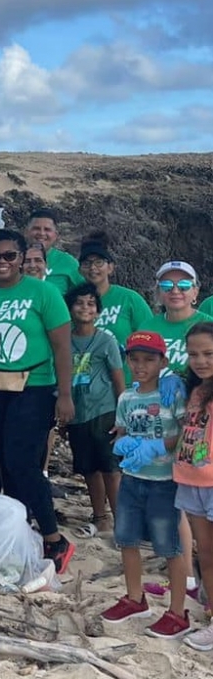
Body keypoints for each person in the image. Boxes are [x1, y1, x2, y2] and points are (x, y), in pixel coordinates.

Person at [0, 229, 76, 574]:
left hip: (35, 386)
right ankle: (20, 530)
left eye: (11, 255)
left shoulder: (44, 293)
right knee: (3, 462)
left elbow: (61, 347)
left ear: (23, 257)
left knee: (23, 461)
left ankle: (54, 538)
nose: (4, 262)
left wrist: (65, 394)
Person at [100, 330, 191, 639]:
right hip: (132, 481)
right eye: (134, 359)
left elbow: (182, 433)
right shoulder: (126, 397)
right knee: (126, 539)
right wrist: (124, 446)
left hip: (164, 482)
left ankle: (178, 612)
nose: (140, 366)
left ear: (162, 361)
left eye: (149, 360)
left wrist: (156, 446)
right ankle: (135, 597)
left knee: (169, 546)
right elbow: (122, 431)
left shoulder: (173, 392)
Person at [64, 283, 126, 537]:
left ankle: (122, 521)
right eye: (79, 303)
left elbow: (118, 377)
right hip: (77, 413)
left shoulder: (105, 340)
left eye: (91, 304)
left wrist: (122, 416)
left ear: (98, 311)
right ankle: (100, 517)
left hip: (105, 411)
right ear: (69, 309)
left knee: (110, 468)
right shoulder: (63, 341)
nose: (85, 308)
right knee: (88, 468)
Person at [174, 322, 213, 651]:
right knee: (206, 554)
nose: (200, 360)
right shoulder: (196, 391)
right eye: (193, 354)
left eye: (208, 353)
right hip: (190, 480)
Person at [78, 233, 151, 348]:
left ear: (110, 267)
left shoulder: (130, 298)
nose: (92, 268)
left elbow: (150, 338)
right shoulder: (73, 302)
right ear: (80, 270)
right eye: (86, 263)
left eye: (99, 262)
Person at [141, 261, 212, 376]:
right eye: (166, 286)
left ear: (195, 292)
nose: (175, 291)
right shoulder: (147, 328)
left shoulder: (209, 325)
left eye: (184, 285)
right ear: (158, 293)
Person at [26, 208, 82, 295]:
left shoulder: (68, 262)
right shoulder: (14, 259)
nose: (41, 233)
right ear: (26, 232)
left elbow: (85, 293)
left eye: (47, 229)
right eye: (36, 228)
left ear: (55, 235)